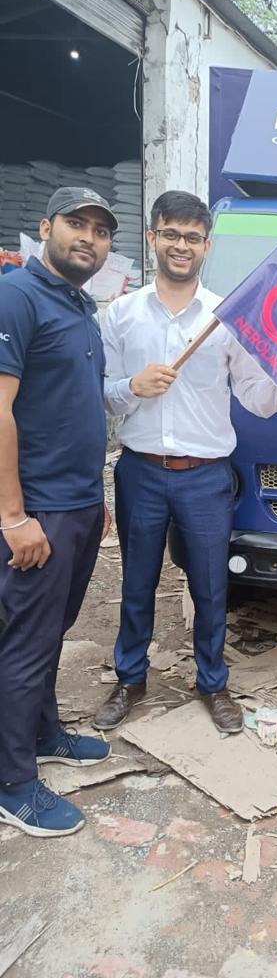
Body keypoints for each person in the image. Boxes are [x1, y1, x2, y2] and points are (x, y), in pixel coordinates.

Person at [95, 190, 277, 735]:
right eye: (172, 235)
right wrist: (132, 387)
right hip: (140, 471)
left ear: (207, 246)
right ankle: (130, 678)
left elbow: (256, 398)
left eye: (193, 238)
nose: (182, 246)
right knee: (137, 582)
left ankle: (213, 682)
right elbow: (102, 395)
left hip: (204, 478)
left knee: (209, 586)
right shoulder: (121, 315)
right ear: (152, 237)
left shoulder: (225, 318)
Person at [0, 187, 117, 837]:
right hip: (38, 511)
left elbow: (74, 410)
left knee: (51, 634)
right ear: (45, 227)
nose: (88, 237)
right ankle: (13, 782)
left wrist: (94, 503)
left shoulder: (79, 305)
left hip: (77, 506)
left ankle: (43, 734)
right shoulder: (17, 296)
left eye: (100, 230)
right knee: (25, 644)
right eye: (77, 223)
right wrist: (14, 517)